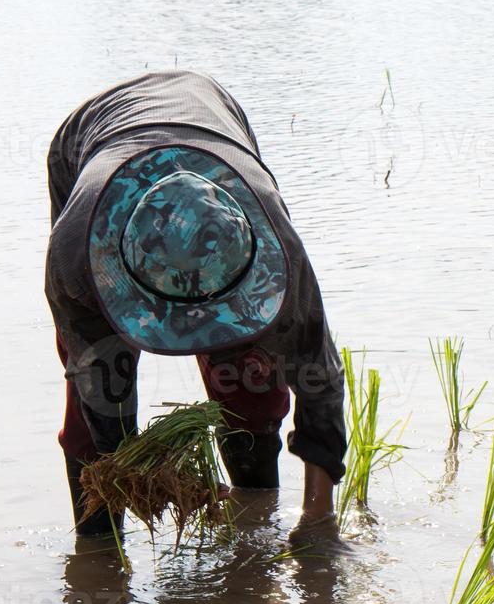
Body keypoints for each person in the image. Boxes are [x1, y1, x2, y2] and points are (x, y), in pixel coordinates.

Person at [45, 70, 345, 535]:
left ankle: (255, 505)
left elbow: (319, 382)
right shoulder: (76, 260)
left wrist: (317, 519)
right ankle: (100, 541)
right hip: (90, 141)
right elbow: (100, 386)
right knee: (96, 399)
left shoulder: (278, 255)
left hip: (213, 119)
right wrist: (134, 475)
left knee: (250, 374)